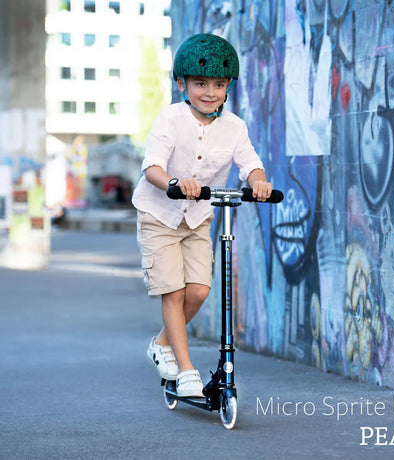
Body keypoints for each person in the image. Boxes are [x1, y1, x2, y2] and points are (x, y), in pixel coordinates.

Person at [132, 33, 272, 397]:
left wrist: (259, 182)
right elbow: (152, 167)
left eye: (218, 85)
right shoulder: (170, 119)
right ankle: (186, 369)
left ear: (228, 87)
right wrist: (174, 182)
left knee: (198, 290)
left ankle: (161, 343)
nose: (210, 92)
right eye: (200, 84)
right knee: (173, 290)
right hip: (159, 215)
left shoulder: (235, 127)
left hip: (196, 219)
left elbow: (250, 163)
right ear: (182, 84)